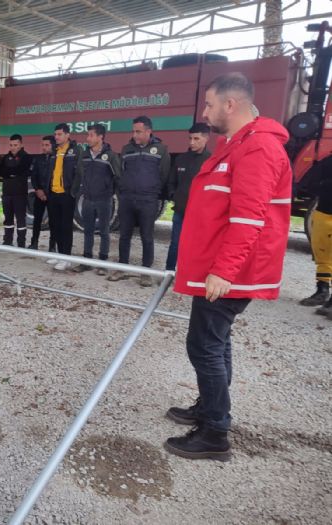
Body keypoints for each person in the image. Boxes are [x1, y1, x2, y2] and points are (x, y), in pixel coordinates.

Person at [165, 72, 292, 460]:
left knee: (204, 345)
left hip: (230, 273)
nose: (205, 112)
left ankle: (215, 433)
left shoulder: (258, 149)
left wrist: (223, 270)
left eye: (209, 104)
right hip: (221, 269)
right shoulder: (237, 145)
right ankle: (209, 410)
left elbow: (250, 218)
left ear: (230, 105)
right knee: (215, 343)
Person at [108, 116, 170, 286]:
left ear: (148, 131)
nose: (135, 135)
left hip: (148, 200)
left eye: (138, 131)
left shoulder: (161, 150)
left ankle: (146, 272)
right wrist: (123, 190)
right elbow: (120, 172)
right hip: (127, 199)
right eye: (133, 131)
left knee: (147, 236)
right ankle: (122, 267)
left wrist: (152, 191)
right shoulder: (127, 149)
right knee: (124, 235)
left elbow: (164, 175)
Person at [71, 124, 121, 274]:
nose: (88, 138)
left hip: (103, 200)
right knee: (88, 231)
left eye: (91, 135)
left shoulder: (110, 156)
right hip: (87, 199)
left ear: (101, 137)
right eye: (88, 135)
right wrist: (74, 192)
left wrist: (114, 193)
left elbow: (118, 177)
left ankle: (102, 263)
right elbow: (79, 175)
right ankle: (86, 261)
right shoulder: (85, 155)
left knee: (104, 232)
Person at [165, 123, 211, 272]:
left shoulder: (211, 161)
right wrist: (174, 195)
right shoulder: (181, 159)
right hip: (180, 211)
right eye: (190, 138)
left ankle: (191, 273)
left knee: (197, 245)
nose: (192, 142)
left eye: (196, 139)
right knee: (175, 244)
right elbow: (171, 181)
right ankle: (169, 272)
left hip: (200, 214)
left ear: (206, 139)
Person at [44, 123, 81, 271]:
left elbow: (80, 174)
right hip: (53, 194)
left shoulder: (75, 150)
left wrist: (72, 191)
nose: (56, 137)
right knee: (55, 226)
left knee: (66, 227)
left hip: (66, 195)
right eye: (55, 135)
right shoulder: (55, 151)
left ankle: (67, 258)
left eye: (59, 134)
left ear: (67, 135)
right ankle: (59, 255)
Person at [300, 155, 332, 315]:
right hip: (323, 212)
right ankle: (322, 290)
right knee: (322, 254)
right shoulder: (328, 161)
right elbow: (309, 184)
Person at [0, 134, 32, 247]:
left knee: (20, 220)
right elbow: (1, 171)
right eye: (11, 145)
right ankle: (7, 241)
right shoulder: (6, 157)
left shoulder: (26, 157)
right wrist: (11, 173)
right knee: (8, 219)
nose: (13, 147)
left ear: (21, 144)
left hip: (20, 194)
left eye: (15, 145)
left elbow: (21, 170)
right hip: (7, 193)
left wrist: (10, 173)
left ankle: (21, 243)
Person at [29, 135, 56, 251]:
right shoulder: (38, 159)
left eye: (47, 145)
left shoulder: (57, 158)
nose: (44, 147)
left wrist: (47, 193)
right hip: (39, 194)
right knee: (37, 220)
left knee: (54, 221)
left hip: (52, 195)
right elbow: (33, 176)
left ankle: (52, 246)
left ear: (53, 145)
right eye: (43, 145)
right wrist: (37, 190)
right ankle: (34, 243)